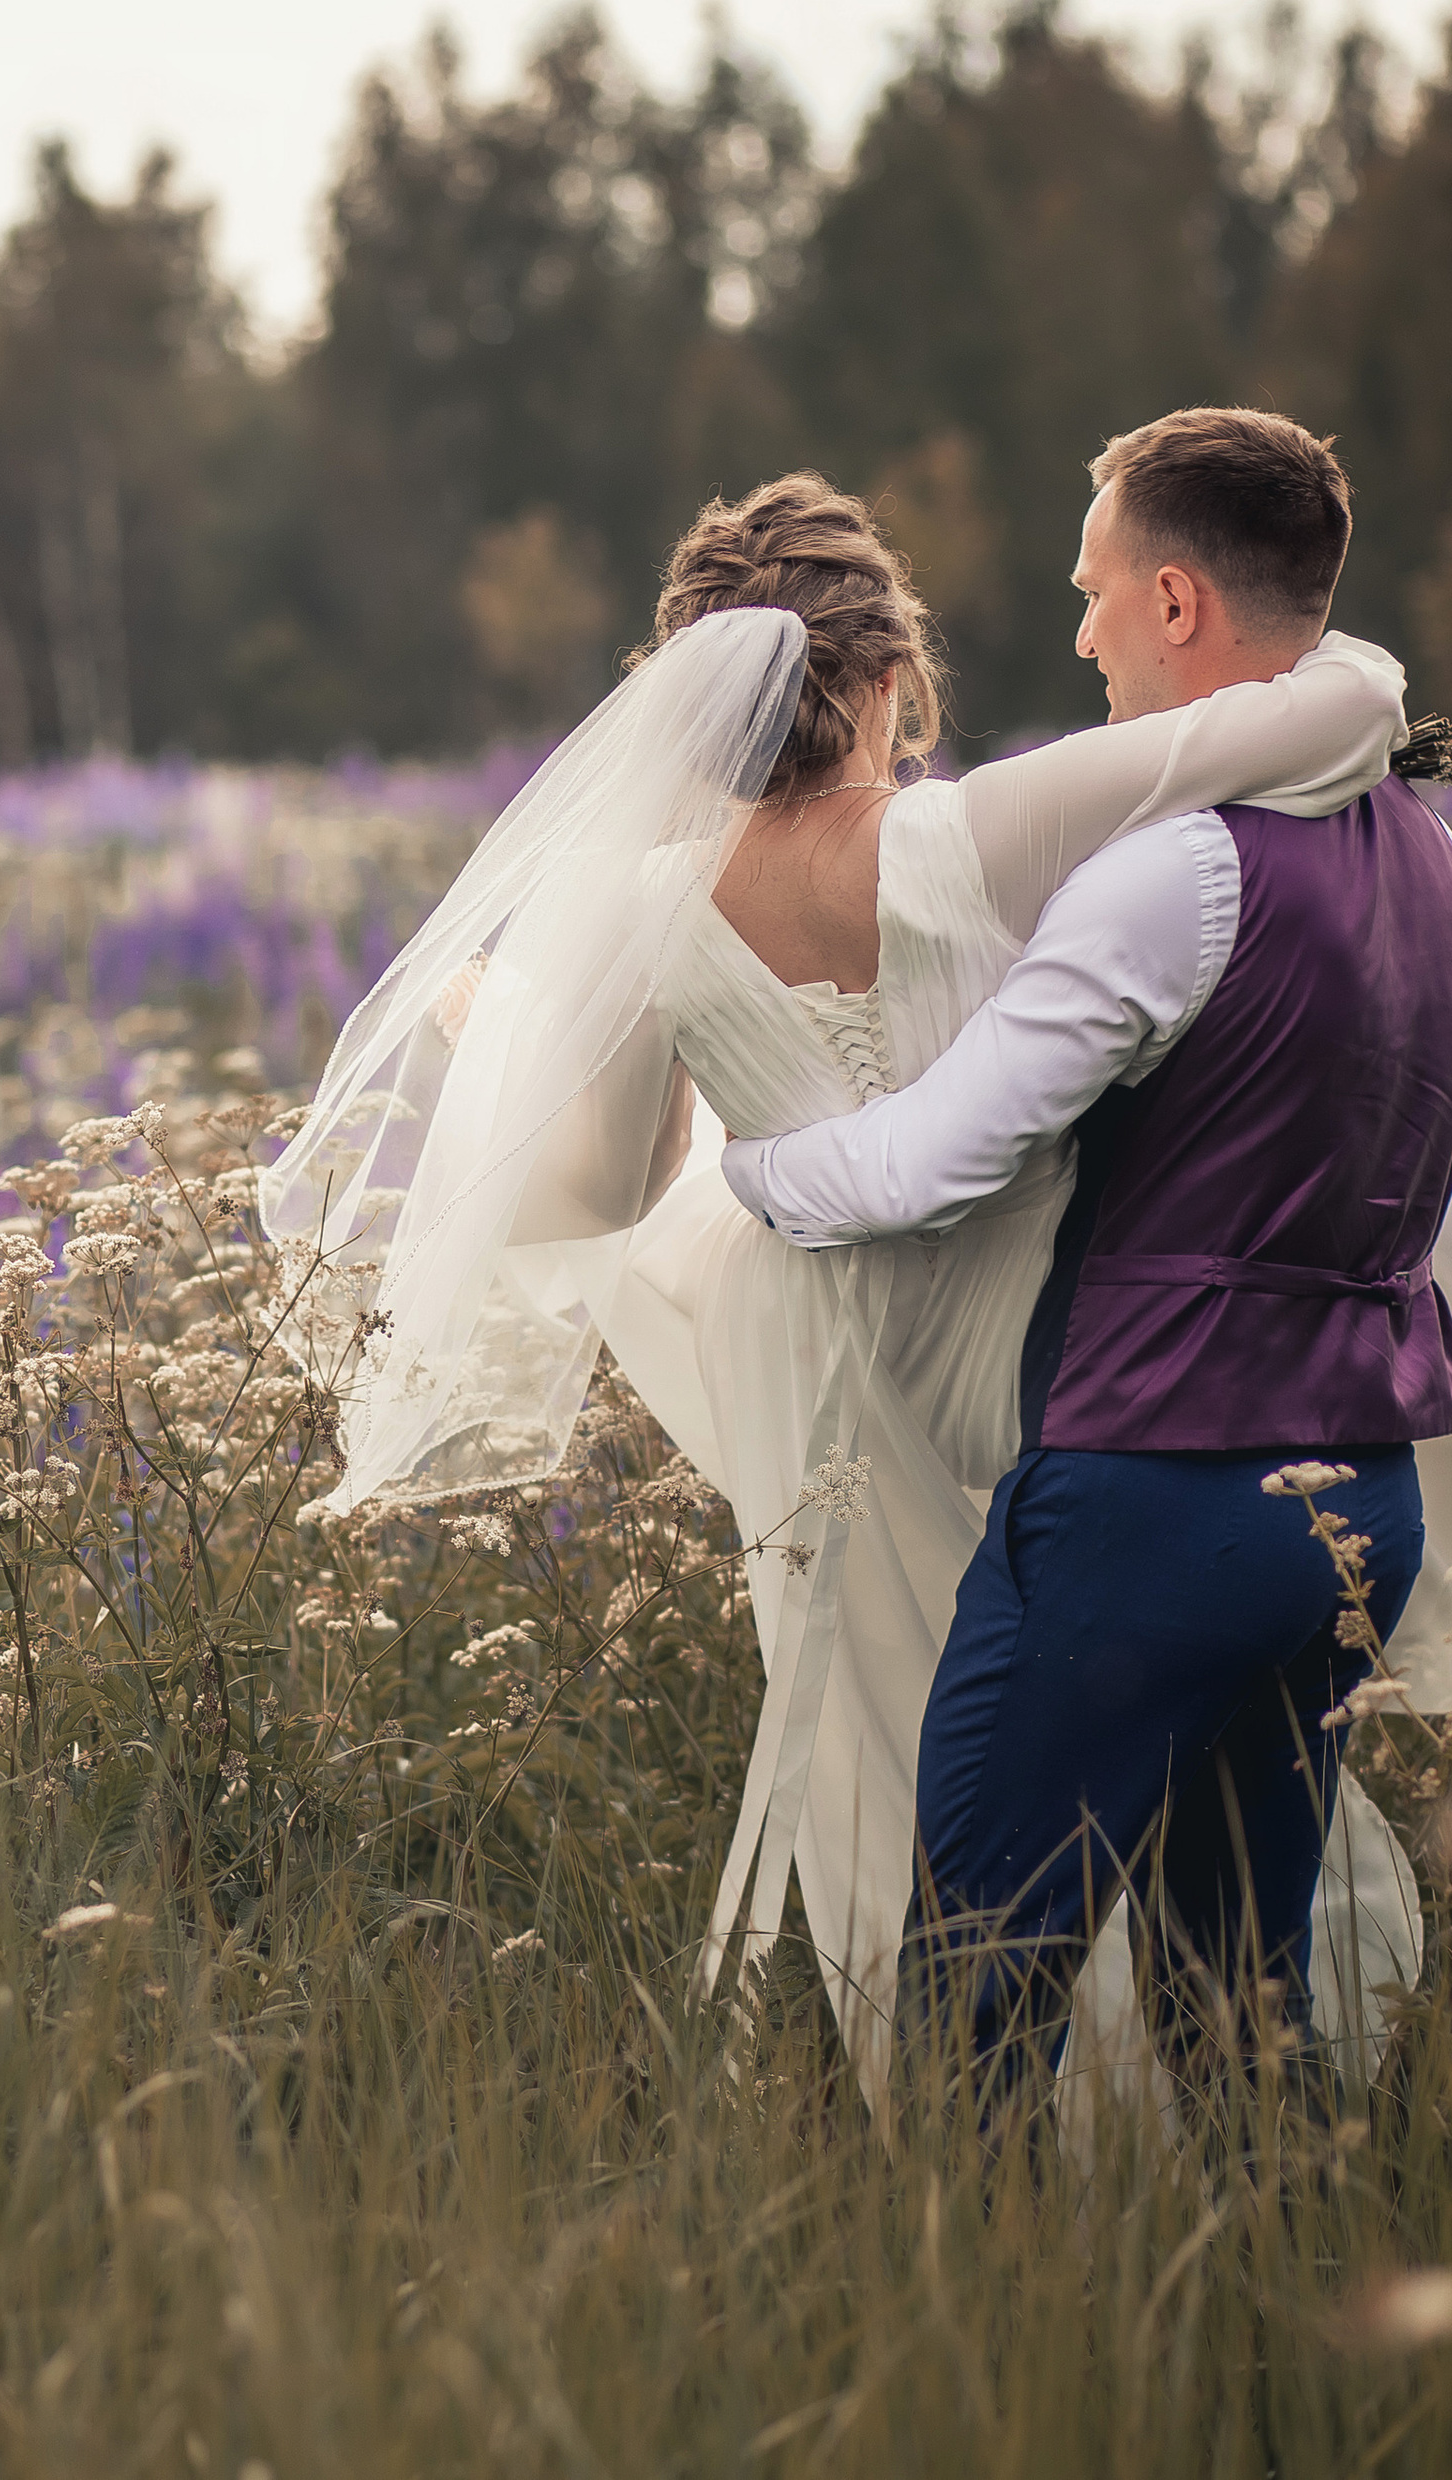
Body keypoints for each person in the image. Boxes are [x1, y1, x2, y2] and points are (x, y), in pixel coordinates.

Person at [262, 439, 1419, 2096]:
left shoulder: (644, 903)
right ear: (885, 676)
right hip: (1034, 1337)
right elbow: (1338, 710)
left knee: (887, 1750)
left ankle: (959, 2139)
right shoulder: (982, 828)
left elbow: (605, 1188)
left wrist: (517, 1040)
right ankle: (1204, 2092)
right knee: (1105, 1721)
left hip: (810, 1351)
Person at [718, 411, 1452, 2106]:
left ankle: (981, 2326)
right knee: (1242, 2015)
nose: (1080, 631)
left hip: (1147, 1498)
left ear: (1181, 605)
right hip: (1361, 1507)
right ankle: (1256, 2338)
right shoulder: (1430, 854)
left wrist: (751, 1175)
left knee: (977, 1992)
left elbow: (930, 1159)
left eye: (1098, 591)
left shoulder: (1175, 873)